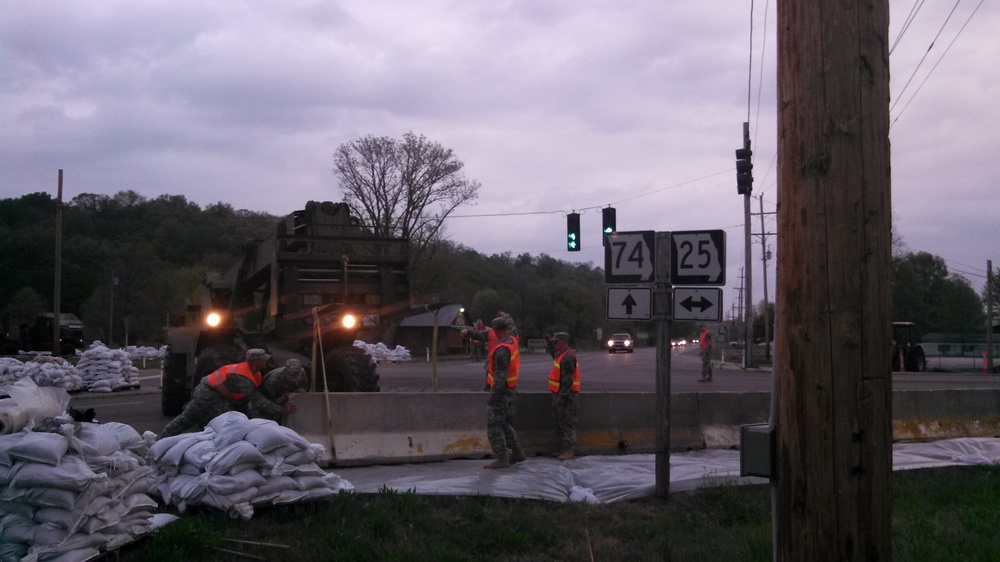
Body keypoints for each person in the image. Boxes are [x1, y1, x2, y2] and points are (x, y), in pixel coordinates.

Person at [159, 348, 296, 438]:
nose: (266, 361)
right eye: (263, 359)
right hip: (209, 393)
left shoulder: (256, 374)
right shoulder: (243, 376)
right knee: (228, 421)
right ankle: (161, 439)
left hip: (222, 395)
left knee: (194, 417)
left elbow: (260, 396)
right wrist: (281, 409)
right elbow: (257, 401)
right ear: (255, 361)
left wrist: (279, 400)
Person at [483, 315, 526, 469]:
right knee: (505, 423)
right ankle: (517, 452)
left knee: (494, 425)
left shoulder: (502, 350)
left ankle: (502, 457)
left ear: (495, 330)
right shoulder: (512, 341)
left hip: (501, 392)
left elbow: (500, 379)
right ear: (507, 328)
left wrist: (492, 397)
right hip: (511, 390)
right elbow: (514, 330)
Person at [463, 311, 518, 391]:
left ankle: (493, 394)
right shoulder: (497, 334)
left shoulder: (510, 335)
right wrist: (468, 331)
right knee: (492, 385)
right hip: (492, 364)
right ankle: (490, 391)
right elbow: (478, 334)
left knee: (501, 386)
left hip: (504, 365)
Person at [548, 332, 580, 460]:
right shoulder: (560, 355)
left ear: (563, 342)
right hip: (559, 394)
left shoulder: (567, 357)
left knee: (567, 423)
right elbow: (553, 355)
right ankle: (563, 448)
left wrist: (563, 396)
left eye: (556, 342)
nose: (554, 345)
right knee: (560, 423)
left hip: (567, 397)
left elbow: (568, 379)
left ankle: (569, 449)